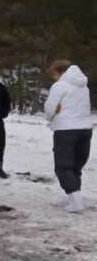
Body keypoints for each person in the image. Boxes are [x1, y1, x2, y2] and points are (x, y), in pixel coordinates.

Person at [44, 60, 92, 213]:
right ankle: (74, 198)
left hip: (66, 130)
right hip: (85, 128)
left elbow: (50, 108)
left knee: (63, 166)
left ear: (59, 71)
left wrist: (50, 119)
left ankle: (76, 202)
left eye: (53, 74)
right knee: (76, 165)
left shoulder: (60, 86)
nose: (54, 78)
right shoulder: (84, 86)